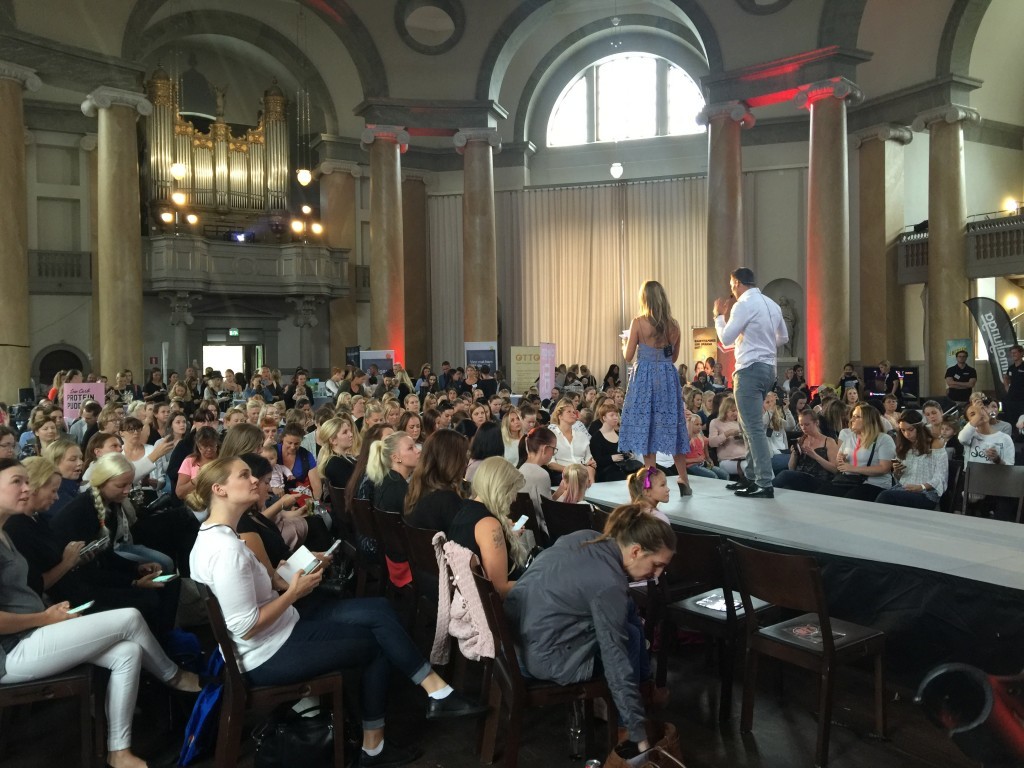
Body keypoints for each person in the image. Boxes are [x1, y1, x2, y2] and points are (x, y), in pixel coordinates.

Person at [187, 457, 488, 768]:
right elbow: (245, 626)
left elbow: (256, 591)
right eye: (244, 475)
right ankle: (378, 745)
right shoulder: (227, 551)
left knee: (378, 617)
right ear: (219, 489)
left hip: (274, 636)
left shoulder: (216, 537)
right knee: (375, 646)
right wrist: (293, 594)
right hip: (265, 655)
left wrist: (289, 577)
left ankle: (433, 695)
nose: (254, 480)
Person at [0, 458, 200, 768]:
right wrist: (44, 617)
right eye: (17, 482)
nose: (27, 488)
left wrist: (46, 614)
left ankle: (119, 751)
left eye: (27, 481)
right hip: (10, 651)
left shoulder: (6, 532)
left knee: (128, 652)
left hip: (33, 630)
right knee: (130, 617)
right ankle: (174, 677)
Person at [505, 504, 675, 761]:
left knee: (630, 622)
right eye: (657, 565)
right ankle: (626, 731)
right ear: (636, 551)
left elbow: (624, 607)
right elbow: (615, 660)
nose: (658, 575)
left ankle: (643, 693)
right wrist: (639, 735)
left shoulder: (586, 538)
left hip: (515, 643)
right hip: (541, 659)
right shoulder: (608, 584)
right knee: (626, 640)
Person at [713, 267, 788, 498]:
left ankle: (764, 482)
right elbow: (783, 337)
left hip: (749, 369)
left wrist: (718, 317)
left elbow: (726, 338)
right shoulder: (772, 305)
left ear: (736, 282)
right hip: (769, 369)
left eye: (731, 285)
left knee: (752, 428)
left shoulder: (743, 304)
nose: (732, 290)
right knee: (748, 426)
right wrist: (761, 343)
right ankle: (752, 477)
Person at [619, 281, 691, 497]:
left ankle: (649, 484)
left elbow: (628, 356)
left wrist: (624, 343)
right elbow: (674, 358)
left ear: (644, 299)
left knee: (647, 429)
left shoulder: (638, 322)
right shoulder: (674, 326)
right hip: (667, 378)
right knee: (673, 426)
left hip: (645, 379)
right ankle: (684, 480)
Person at [447, 456, 529, 598]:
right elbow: (499, 589)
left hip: (467, 597)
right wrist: (537, 581)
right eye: (513, 491)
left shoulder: (465, 510)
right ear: (501, 489)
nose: (514, 498)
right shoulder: (489, 525)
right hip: (494, 605)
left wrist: (507, 535)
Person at [817, 404, 896, 502]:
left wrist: (853, 468)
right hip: (849, 481)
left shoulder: (884, 439)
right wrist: (841, 460)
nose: (851, 420)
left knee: (850, 499)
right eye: (852, 416)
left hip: (874, 484)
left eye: (857, 417)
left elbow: (884, 468)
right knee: (822, 493)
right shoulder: (850, 438)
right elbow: (838, 464)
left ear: (868, 420)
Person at [876, 411, 947, 510]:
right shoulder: (904, 446)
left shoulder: (935, 443)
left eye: (910, 429)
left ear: (920, 428)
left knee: (885, 497)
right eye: (903, 430)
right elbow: (899, 478)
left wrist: (921, 487)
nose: (907, 434)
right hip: (904, 488)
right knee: (882, 496)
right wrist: (897, 471)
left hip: (926, 493)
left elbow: (941, 476)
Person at [404, 430, 468, 531]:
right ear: (451, 461)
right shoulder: (448, 500)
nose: (465, 463)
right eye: (463, 458)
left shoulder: (416, 489)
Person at [772, 410, 839, 492]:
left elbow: (835, 469)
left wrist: (815, 456)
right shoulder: (801, 440)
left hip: (818, 479)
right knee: (785, 486)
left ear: (816, 423)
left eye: (807, 424)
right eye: (801, 425)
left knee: (785, 474)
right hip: (800, 477)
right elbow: (791, 468)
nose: (803, 428)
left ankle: (767, 489)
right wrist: (794, 455)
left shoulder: (828, 441)